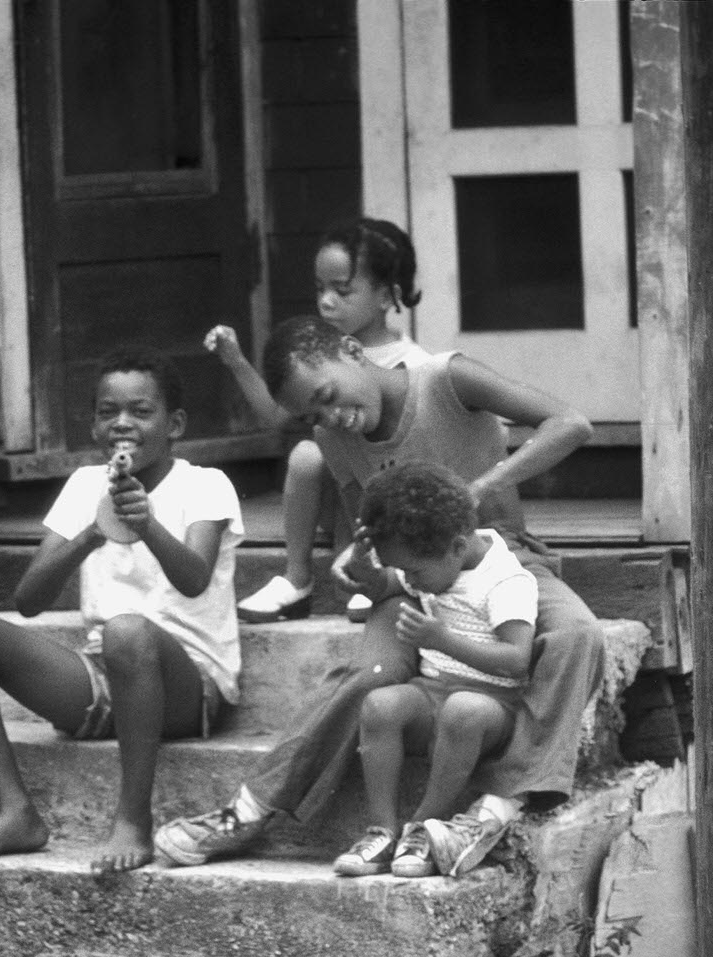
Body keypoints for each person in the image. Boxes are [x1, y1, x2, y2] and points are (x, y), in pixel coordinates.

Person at [153, 316, 604, 869]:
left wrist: (479, 488)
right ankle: (249, 810)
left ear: (350, 350)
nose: (331, 418)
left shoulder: (446, 379)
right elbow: (370, 536)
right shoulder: (333, 439)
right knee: (369, 678)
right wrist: (360, 570)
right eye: (312, 416)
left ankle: (500, 803)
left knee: (578, 634)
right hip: (410, 582)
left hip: (501, 555)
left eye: (327, 395)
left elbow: (572, 424)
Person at [0, 352, 242, 875]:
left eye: (141, 411)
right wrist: (92, 534)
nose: (122, 424)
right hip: (106, 680)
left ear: (175, 425)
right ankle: (17, 812)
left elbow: (193, 581)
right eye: (108, 412)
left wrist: (147, 526)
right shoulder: (83, 486)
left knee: (127, 631)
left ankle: (133, 820)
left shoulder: (205, 485)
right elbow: (29, 600)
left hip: (192, 685)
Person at [206, 218, 431, 624]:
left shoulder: (414, 365)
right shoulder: (318, 360)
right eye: (320, 289)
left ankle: (375, 570)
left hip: (396, 503)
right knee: (306, 455)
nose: (326, 302)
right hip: (343, 499)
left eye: (343, 291)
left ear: (386, 296)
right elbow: (277, 417)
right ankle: (297, 579)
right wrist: (236, 360)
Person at [332, 462, 536, 879]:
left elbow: (517, 659)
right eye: (402, 570)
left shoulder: (505, 581)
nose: (409, 580)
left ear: (458, 547)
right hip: (435, 690)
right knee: (380, 705)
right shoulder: (429, 564)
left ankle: (423, 825)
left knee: (462, 710)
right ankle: (383, 830)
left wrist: (443, 640)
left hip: (491, 703)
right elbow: (382, 588)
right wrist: (365, 569)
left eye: (414, 572)